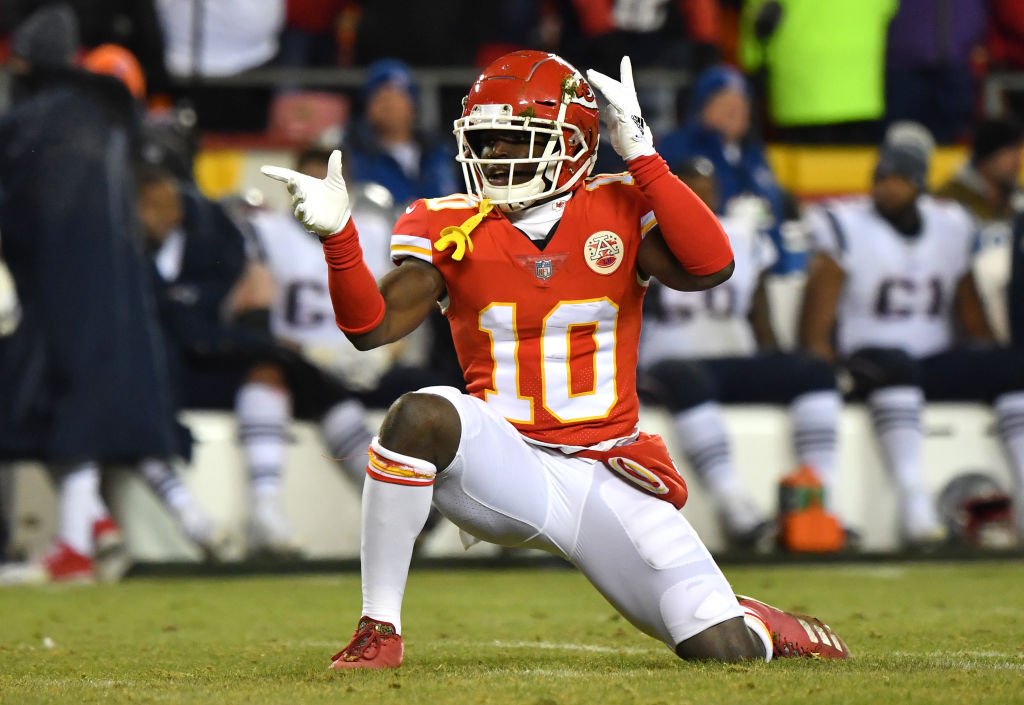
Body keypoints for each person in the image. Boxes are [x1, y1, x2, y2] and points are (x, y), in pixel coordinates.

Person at [263, 50, 849, 668]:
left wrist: (643, 155)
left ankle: (755, 619)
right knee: (421, 415)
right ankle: (378, 628)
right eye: (486, 139)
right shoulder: (451, 224)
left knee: (723, 650)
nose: (494, 154)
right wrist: (339, 239)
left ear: (572, 142)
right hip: (505, 460)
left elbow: (712, 266)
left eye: (514, 138)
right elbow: (371, 328)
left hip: (608, 468)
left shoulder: (619, 205)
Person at [0, 5, 183, 582]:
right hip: (116, 286)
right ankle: (100, 527)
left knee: (51, 401)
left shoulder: (37, 118)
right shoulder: (106, 119)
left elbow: (21, 207)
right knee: (78, 401)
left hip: (60, 283)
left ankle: (76, 544)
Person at [799, 124, 1024, 546]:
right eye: (881, 176)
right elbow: (816, 324)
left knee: (1013, 369)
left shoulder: (952, 224)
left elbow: (970, 311)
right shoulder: (845, 223)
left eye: (897, 177)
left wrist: (990, 360)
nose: (885, 186)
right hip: (867, 359)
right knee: (898, 366)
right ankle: (912, 498)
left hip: (931, 359)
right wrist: (826, 370)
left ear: (918, 182)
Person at [639, 158, 843, 547]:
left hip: (733, 358)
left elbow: (759, 315)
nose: (701, 199)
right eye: (690, 190)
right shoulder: (645, 234)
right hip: (669, 364)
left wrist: (775, 361)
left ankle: (819, 501)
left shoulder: (742, 237)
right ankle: (734, 504)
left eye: (707, 190)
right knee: (685, 377)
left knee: (814, 372)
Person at [657, 64, 797, 272]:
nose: (735, 111)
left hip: (762, 269)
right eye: (724, 102)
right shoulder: (677, 147)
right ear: (702, 106)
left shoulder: (754, 153)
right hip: (704, 273)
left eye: (741, 103)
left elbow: (774, 211)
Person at [935, 118, 1024, 344]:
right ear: (986, 159)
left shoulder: (1018, 201)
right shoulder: (949, 203)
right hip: (965, 312)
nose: (1018, 162)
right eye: (1010, 153)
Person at [342, 59, 461, 207]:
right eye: (380, 97)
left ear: (412, 104)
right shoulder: (349, 151)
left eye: (397, 96)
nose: (389, 105)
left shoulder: (439, 150)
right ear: (368, 107)